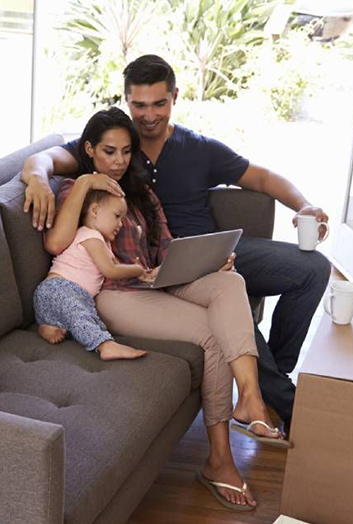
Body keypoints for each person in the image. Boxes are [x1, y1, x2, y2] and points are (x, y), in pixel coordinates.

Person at [22, 54, 332, 433]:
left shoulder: (196, 148)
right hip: (163, 267)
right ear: (126, 102)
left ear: (174, 98)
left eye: (159, 104)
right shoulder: (116, 146)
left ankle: (273, 378)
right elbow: (44, 158)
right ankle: (285, 401)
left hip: (210, 253)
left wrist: (304, 205)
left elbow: (263, 178)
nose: (149, 115)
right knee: (224, 306)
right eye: (139, 105)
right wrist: (37, 178)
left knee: (314, 268)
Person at [42, 107, 287, 510]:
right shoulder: (78, 189)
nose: (118, 161)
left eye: (125, 151)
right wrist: (87, 179)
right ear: (89, 150)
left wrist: (205, 261)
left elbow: (166, 247)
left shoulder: (141, 192)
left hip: (158, 278)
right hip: (116, 293)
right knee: (211, 332)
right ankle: (220, 460)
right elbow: (56, 243)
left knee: (231, 282)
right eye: (108, 152)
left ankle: (250, 398)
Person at [34, 188, 150, 360]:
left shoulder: (101, 244)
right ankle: (104, 345)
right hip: (60, 289)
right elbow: (110, 270)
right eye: (117, 216)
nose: (121, 224)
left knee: (90, 319)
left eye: (123, 219)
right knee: (81, 314)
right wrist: (137, 269)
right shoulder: (91, 236)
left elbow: (117, 267)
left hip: (51, 298)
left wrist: (143, 275)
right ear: (95, 210)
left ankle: (47, 325)